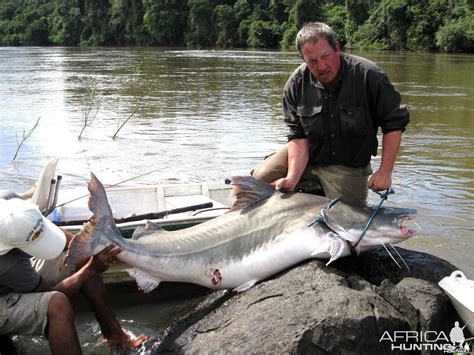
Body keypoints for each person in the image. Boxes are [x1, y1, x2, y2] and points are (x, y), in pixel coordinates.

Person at [252, 22, 409, 206]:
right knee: (259, 179)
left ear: (337, 48)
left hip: (347, 166)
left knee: (348, 217)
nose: (321, 66)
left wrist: (385, 171)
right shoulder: (296, 83)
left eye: (325, 56)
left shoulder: (369, 75)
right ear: (302, 58)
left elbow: (393, 124)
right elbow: (298, 135)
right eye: (312, 61)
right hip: (308, 154)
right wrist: (291, 179)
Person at [0, 193, 147, 354]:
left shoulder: (11, 205)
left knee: (81, 257)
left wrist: (92, 253)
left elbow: (67, 242)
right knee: (57, 304)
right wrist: (91, 269)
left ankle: (113, 333)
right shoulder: (7, 264)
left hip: (16, 270)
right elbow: (49, 293)